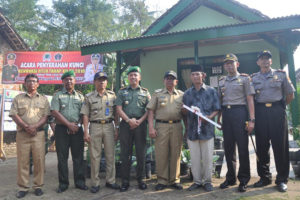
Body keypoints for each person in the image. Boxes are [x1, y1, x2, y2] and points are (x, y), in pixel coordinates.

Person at [251, 50, 295, 192]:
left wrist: (281, 106)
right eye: (262, 59)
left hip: (277, 112)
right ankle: (264, 177)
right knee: (262, 146)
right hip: (261, 112)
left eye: (267, 58)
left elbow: (290, 94)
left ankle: (282, 179)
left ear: (271, 61)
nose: (265, 61)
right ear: (258, 62)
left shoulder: (281, 75)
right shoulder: (253, 78)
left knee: (280, 147)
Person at [218, 54, 255, 192]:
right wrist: (219, 118)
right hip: (226, 114)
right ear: (224, 66)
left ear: (237, 64)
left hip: (240, 113)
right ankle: (230, 178)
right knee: (228, 149)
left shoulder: (245, 79)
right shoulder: (221, 81)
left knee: (243, 148)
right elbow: (220, 102)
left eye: (231, 63)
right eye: (226, 63)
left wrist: (251, 120)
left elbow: (250, 99)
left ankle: (244, 179)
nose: (229, 65)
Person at [9, 74, 50, 198]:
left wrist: (35, 127)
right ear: (25, 83)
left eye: (34, 81)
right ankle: (23, 187)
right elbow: (14, 114)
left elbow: (46, 116)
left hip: (38, 134)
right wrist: (26, 127)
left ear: (38, 84)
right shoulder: (18, 98)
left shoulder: (43, 99)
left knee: (39, 161)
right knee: (23, 161)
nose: (31, 83)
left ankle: (38, 186)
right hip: (22, 135)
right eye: (29, 81)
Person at [81, 72, 120, 193]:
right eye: (99, 80)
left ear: (107, 82)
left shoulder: (112, 96)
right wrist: (86, 132)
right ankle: (95, 183)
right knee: (94, 156)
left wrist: (117, 128)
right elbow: (85, 115)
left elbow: (116, 114)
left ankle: (110, 181)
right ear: (94, 82)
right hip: (95, 126)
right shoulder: (89, 97)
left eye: (104, 80)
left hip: (109, 126)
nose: (102, 82)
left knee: (110, 155)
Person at [182, 65, 220, 192]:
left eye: (197, 74)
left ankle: (208, 182)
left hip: (207, 130)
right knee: (194, 158)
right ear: (191, 77)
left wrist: (208, 117)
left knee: (208, 157)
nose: (195, 76)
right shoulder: (187, 94)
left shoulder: (211, 91)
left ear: (203, 75)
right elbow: (184, 113)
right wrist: (186, 127)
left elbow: (217, 109)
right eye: (193, 74)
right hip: (192, 130)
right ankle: (197, 181)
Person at [51, 71, 88, 193]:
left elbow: (84, 113)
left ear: (75, 81)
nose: (69, 81)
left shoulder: (81, 96)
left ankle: (80, 182)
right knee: (62, 157)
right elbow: (55, 112)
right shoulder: (57, 95)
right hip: (61, 129)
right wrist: (68, 125)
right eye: (66, 79)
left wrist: (77, 125)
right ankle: (63, 183)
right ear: (63, 81)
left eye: (71, 79)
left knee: (78, 157)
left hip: (77, 129)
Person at [147, 70, 184, 191]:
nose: (169, 80)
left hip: (177, 126)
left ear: (176, 81)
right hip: (161, 126)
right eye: (167, 78)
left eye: (172, 78)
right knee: (161, 153)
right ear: (164, 81)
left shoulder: (181, 95)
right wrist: (151, 127)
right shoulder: (157, 94)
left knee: (176, 153)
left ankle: (175, 180)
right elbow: (151, 111)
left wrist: (187, 128)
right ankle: (162, 180)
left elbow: (185, 113)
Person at [115, 66, 151, 192]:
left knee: (141, 153)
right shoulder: (122, 92)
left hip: (141, 125)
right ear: (128, 77)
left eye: (135, 75)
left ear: (139, 77)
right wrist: (128, 120)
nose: (133, 77)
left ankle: (141, 180)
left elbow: (149, 110)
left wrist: (140, 121)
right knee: (126, 153)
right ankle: (125, 181)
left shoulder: (145, 92)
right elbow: (118, 109)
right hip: (126, 124)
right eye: (130, 75)